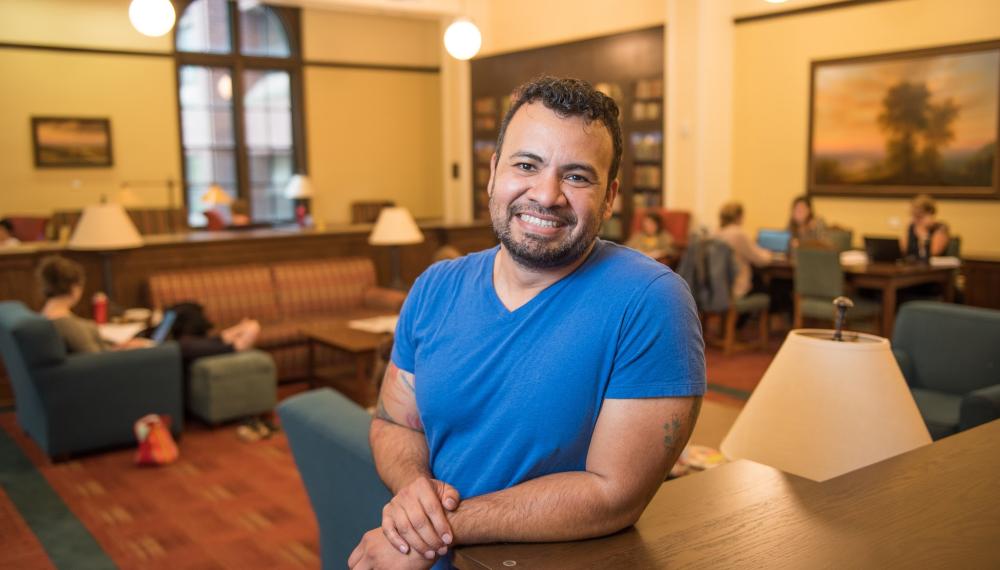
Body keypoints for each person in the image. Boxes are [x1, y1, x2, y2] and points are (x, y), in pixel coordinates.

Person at [348, 77, 705, 570]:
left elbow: (615, 494)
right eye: (526, 165)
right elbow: (393, 424)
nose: (547, 194)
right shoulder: (435, 286)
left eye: (577, 176)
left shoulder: (651, 301)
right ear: (494, 173)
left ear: (610, 197)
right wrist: (414, 496)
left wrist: (434, 528)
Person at [36, 255, 259, 356]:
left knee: (173, 339)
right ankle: (231, 344)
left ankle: (227, 336)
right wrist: (127, 349)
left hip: (120, 356)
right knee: (178, 346)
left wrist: (122, 346)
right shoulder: (66, 324)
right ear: (75, 288)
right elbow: (97, 362)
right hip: (130, 365)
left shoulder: (45, 317)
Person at [714, 202, 772, 299]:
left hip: (719, 288)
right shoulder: (739, 234)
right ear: (738, 217)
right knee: (769, 285)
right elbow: (761, 260)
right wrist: (769, 254)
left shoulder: (715, 234)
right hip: (738, 288)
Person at [901, 194, 950, 259]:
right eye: (914, 215)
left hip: (935, 267)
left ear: (930, 213)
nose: (916, 220)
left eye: (920, 216)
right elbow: (904, 250)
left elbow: (934, 252)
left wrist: (924, 233)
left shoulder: (940, 228)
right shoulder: (912, 227)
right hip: (913, 265)